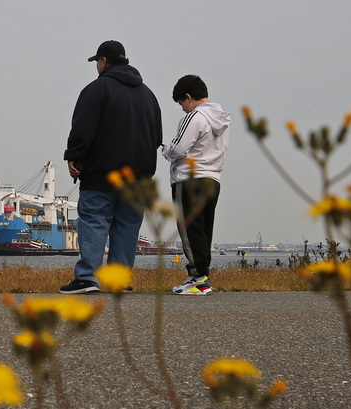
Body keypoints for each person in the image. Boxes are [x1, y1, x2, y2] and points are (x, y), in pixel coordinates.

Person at [60, 40, 162, 294]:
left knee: (95, 221)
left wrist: (74, 156)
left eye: (97, 61)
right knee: (127, 227)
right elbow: (157, 137)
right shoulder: (149, 95)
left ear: (103, 61)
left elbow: (83, 129)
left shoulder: (97, 90)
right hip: (139, 178)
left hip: (102, 174)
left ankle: (87, 278)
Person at [161, 74, 230, 295]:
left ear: (188, 97)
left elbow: (179, 149)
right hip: (213, 179)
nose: (183, 109)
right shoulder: (221, 118)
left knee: (189, 229)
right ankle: (202, 276)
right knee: (204, 230)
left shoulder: (195, 117)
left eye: (182, 103)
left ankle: (197, 278)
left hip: (189, 179)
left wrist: (165, 150)